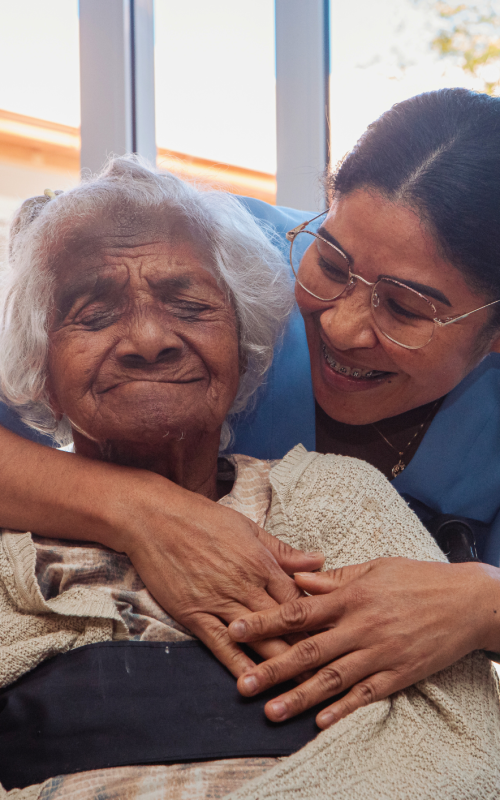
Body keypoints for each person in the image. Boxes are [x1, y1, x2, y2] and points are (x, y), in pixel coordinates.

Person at [0, 155, 499, 800]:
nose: (341, 325)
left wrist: (481, 601)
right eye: (331, 266)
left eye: (404, 308)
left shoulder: (339, 494)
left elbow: (461, 744)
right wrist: (146, 511)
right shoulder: (212, 240)